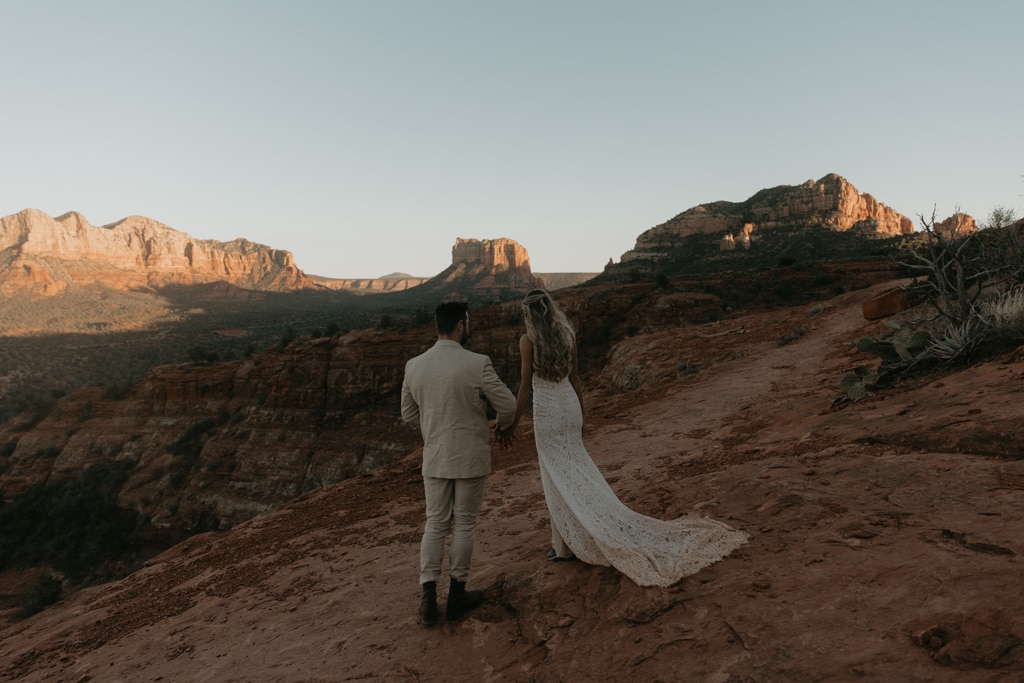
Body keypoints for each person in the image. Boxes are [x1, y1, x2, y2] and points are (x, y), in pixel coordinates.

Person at [499, 289, 748, 587]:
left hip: (548, 414)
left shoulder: (528, 341)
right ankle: (566, 543)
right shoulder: (567, 335)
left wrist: (512, 423)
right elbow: (576, 379)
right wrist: (582, 416)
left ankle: (565, 547)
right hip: (569, 406)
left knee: (554, 476)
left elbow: (525, 386)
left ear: (528, 314)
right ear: (551, 310)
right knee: (576, 470)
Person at [401, 301, 517, 626]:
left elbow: (408, 414)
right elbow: (507, 405)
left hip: (435, 454)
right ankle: (456, 594)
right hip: (470, 455)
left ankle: (427, 599)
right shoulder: (477, 363)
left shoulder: (414, 365)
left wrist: (434, 421)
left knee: (435, 523)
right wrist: (501, 426)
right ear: (461, 326)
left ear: (437, 325)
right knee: (464, 522)